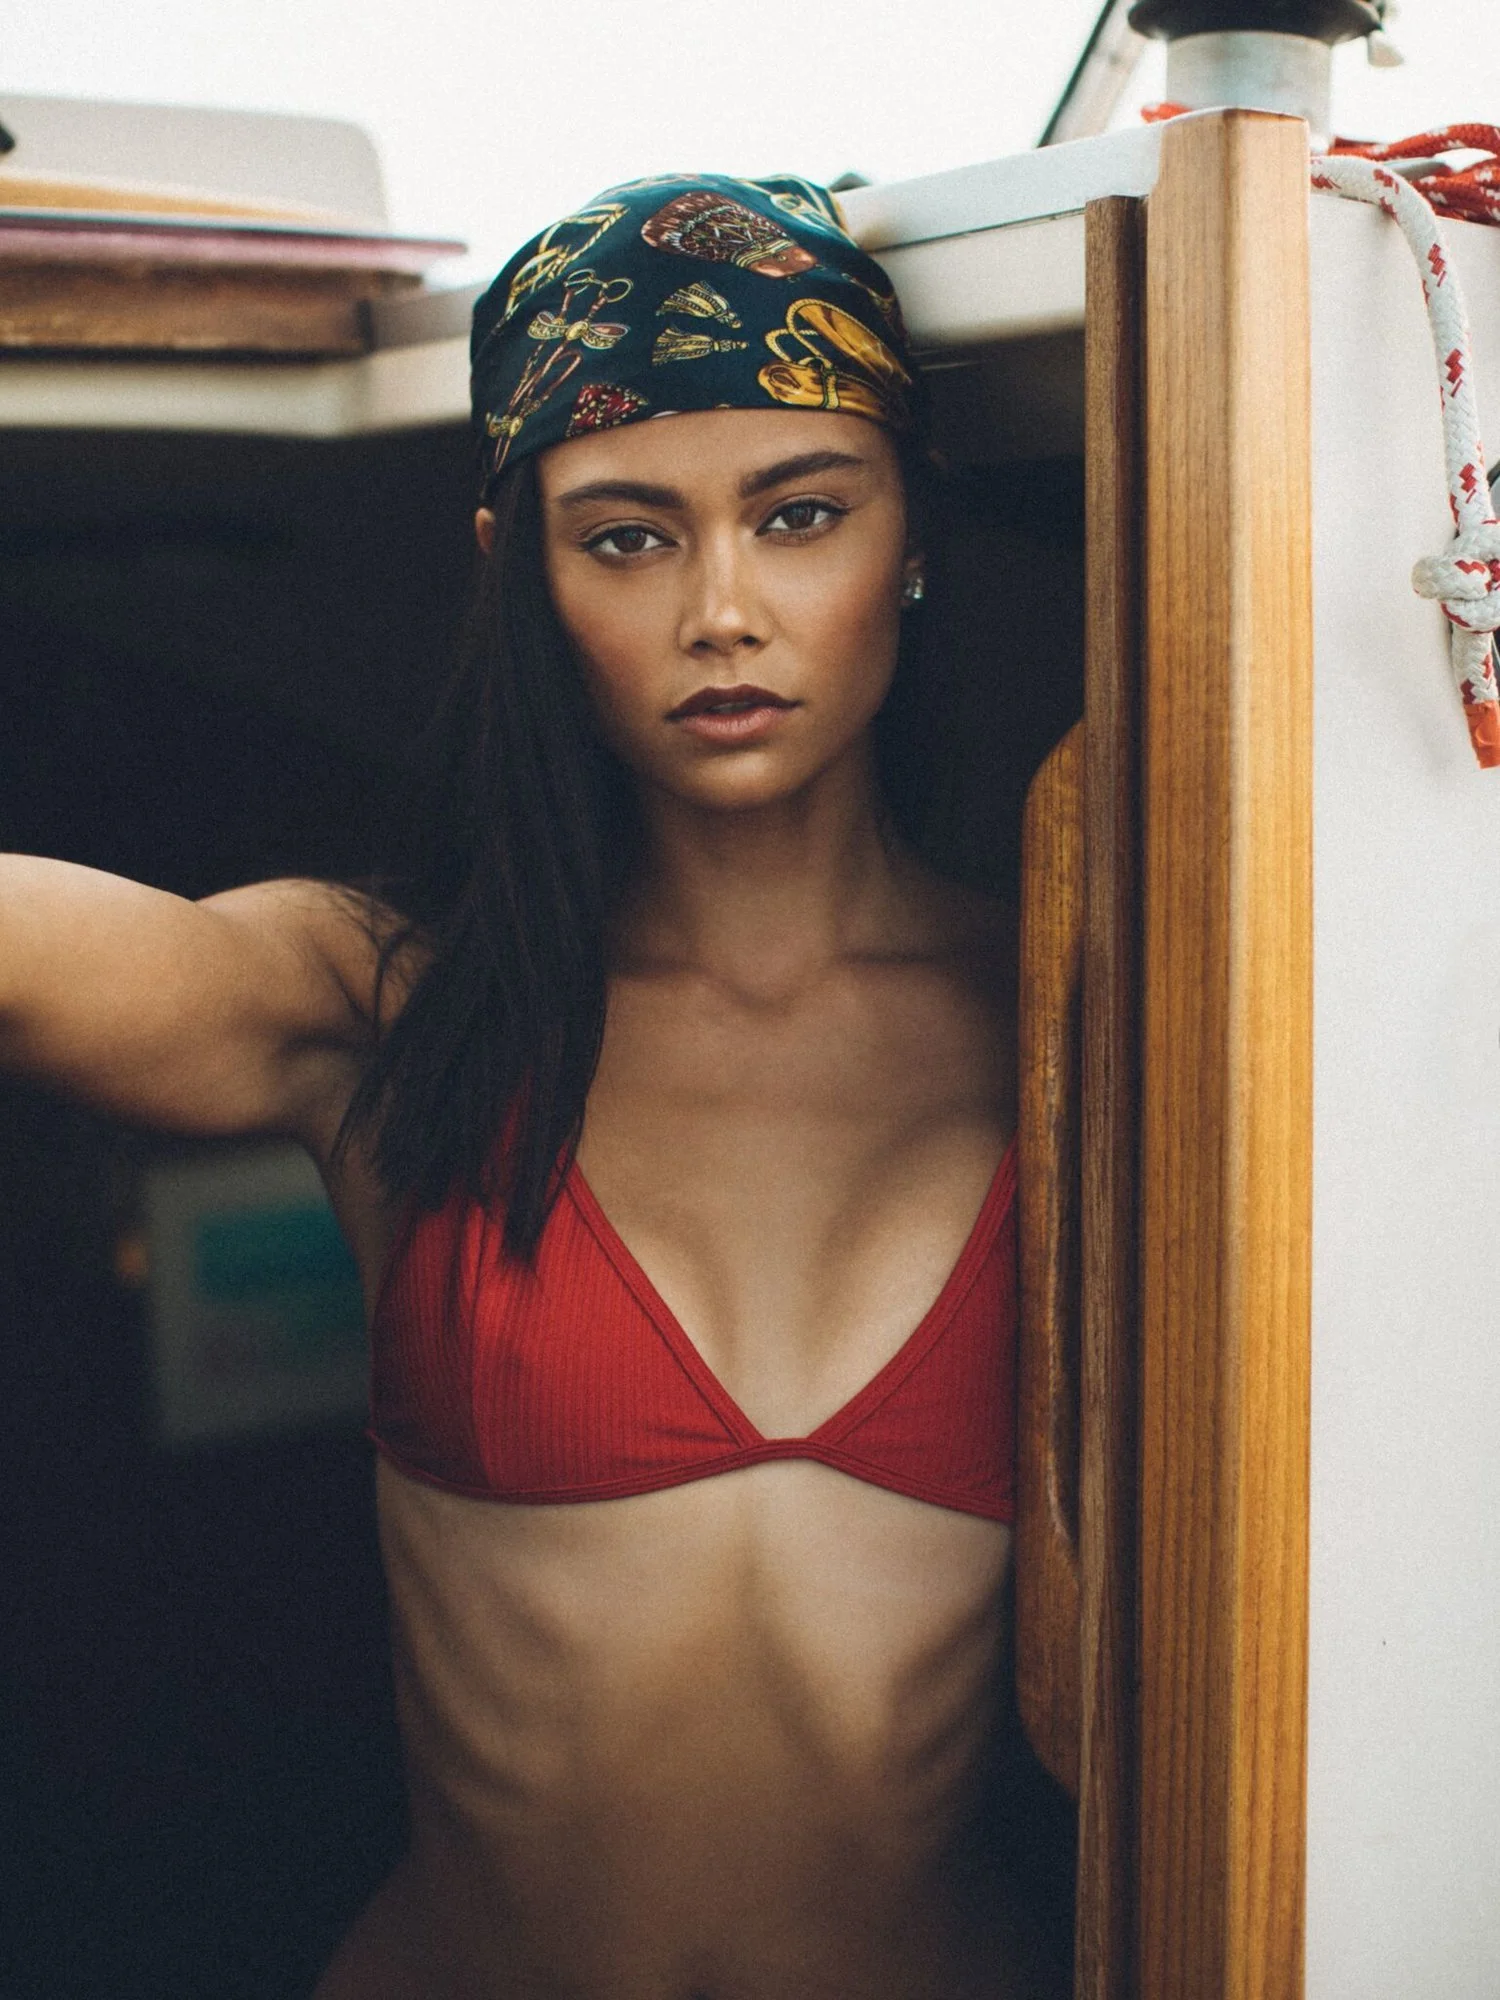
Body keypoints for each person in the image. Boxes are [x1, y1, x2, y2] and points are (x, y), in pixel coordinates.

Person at [0, 174, 1060, 1998]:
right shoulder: (392, 1006)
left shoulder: (1073, 1013)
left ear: (911, 531)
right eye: (628, 538)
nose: (723, 609)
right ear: (523, 570)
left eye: (800, 515)